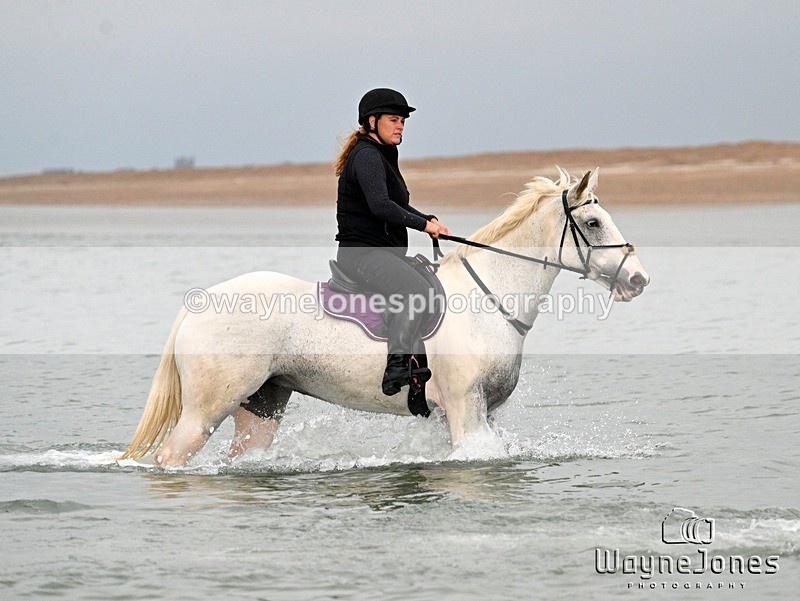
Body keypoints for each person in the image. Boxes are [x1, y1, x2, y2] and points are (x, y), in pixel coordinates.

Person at [334, 88, 451, 396]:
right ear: (372, 122)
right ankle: (397, 366)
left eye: (403, 121)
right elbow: (381, 206)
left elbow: (395, 204)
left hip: (382, 253)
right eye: (394, 119)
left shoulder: (384, 153)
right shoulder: (367, 155)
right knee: (415, 290)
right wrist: (424, 224)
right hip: (361, 255)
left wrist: (427, 221)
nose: (400, 126)